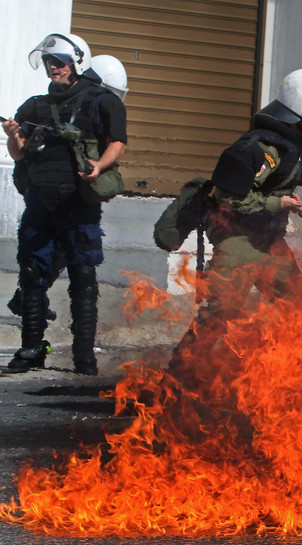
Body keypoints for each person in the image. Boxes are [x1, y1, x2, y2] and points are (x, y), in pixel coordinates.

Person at [169, 68, 302, 372]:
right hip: (237, 237)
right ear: (301, 109)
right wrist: (278, 202)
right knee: (221, 313)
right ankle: (174, 383)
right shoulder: (256, 147)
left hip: (269, 240)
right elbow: (227, 198)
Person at [1, 33, 127, 375]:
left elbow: (117, 143)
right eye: (48, 63)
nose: (53, 68)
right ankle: (30, 349)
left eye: (58, 62)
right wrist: (15, 135)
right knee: (31, 272)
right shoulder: (34, 106)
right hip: (41, 202)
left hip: (79, 202)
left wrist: (98, 167)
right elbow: (19, 152)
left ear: (75, 63)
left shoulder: (102, 101)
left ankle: (84, 354)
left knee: (82, 274)